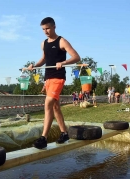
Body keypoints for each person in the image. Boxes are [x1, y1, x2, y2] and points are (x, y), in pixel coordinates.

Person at [26, 17, 81, 149]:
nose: (46, 31)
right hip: (48, 78)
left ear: (54, 27)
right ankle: (64, 133)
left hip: (58, 77)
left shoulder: (61, 41)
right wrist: (35, 66)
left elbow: (76, 57)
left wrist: (63, 63)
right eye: (43, 29)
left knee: (48, 103)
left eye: (48, 28)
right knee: (55, 106)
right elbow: (44, 59)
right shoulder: (43, 43)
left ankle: (43, 138)